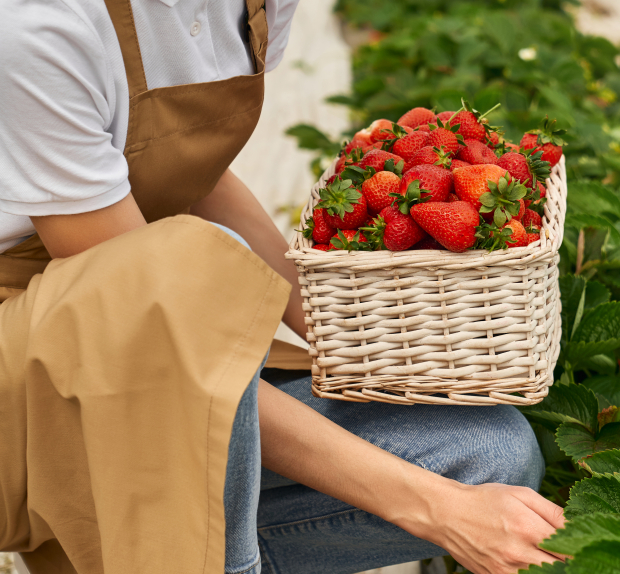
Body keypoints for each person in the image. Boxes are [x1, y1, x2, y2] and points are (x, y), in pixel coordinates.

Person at [0, 0, 563, 572]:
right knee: (194, 265)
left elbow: (194, 175)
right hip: (28, 391)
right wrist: (437, 508)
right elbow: (156, 334)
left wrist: (350, 339)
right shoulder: (43, 27)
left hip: (165, 339)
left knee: (492, 454)